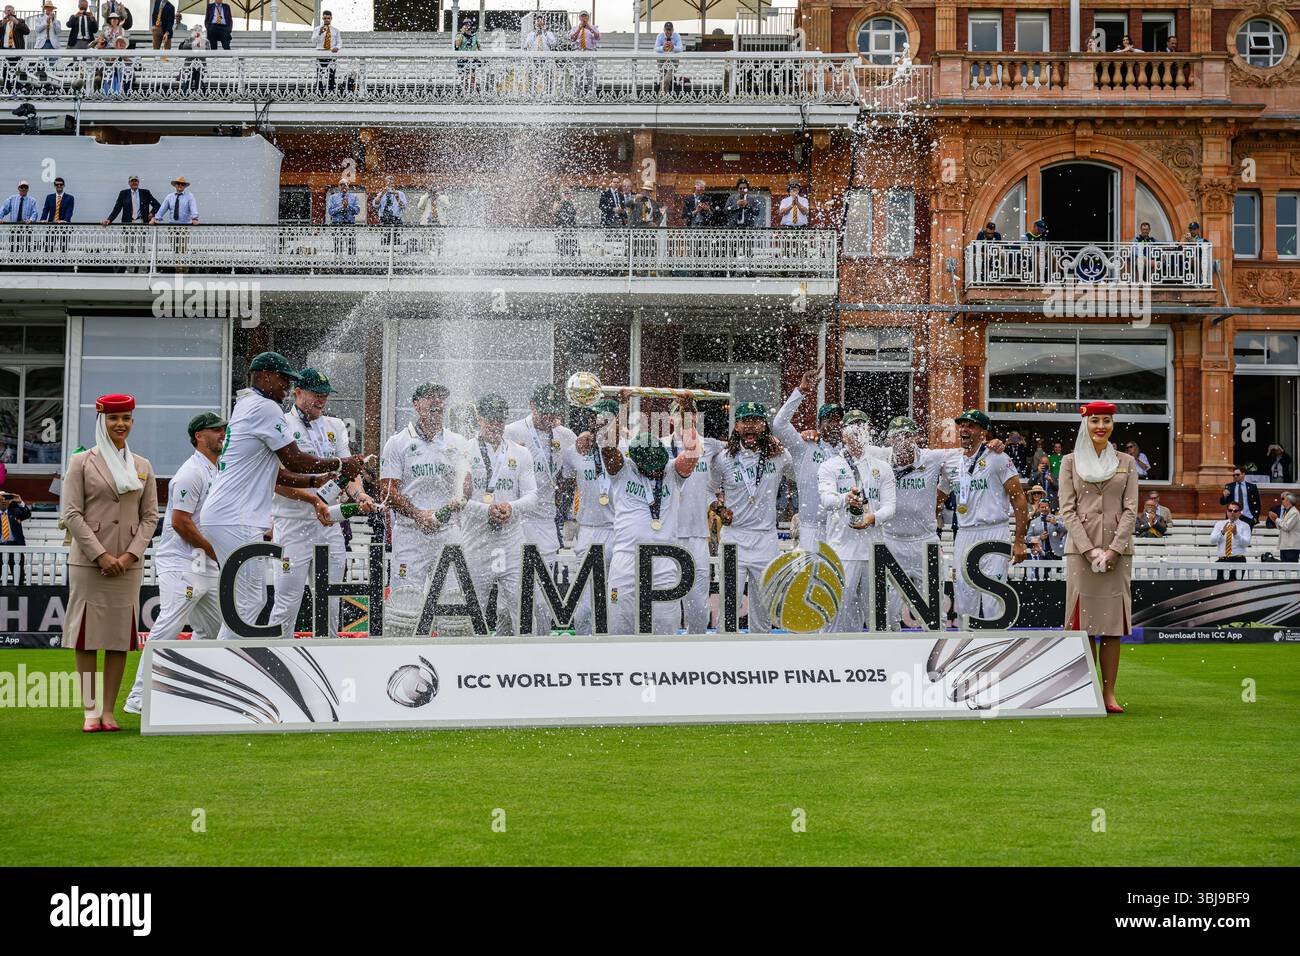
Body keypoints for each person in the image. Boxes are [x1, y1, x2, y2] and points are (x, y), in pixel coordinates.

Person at [200, 352, 369, 642]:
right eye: (284, 381)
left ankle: (232, 666)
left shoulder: (248, 404)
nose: (286, 388)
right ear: (265, 376)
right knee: (258, 603)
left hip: (237, 515)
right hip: (252, 518)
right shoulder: (267, 409)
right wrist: (336, 469)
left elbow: (276, 474)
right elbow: (293, 460)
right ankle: (233, 669)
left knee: (251, 604)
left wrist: (329, 482)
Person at [61, 394, 158, 732]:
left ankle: (108, 710)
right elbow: (71, 513)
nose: (121, 424)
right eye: (115, 418)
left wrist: (131, 554)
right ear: (101, 420)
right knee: (86, 638)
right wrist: (101, 554)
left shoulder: (143, 465)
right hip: (90, 564)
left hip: (128, 564)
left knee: (119, 639)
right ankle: (90, 711)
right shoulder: (81, 463)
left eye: (127, 418)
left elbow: (150, 517)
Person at [122, 411, 226, 714]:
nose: (222, 434)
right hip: (182, 564)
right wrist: (215, 551)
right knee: (168, 626)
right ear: (199, 436)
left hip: (205, 563)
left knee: (215, 628)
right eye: (216, 430)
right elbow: (181, 522)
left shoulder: (216, 469)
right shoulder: (190, 472)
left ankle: (198, 688)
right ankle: (139, 696)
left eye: (223, 430)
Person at [269, 368, 373, 640]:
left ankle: (328, 661)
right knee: (287, 599)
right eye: (315, 395)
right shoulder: (282, 423)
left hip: (329, 525)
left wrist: (359, 495)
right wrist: (314, 499)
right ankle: (279, 659)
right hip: (293, 524)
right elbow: (275, 480)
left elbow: (348, 473)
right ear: (298, 392)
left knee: (330, 600)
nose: (321, 401)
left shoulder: (335, 426)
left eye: (325, 396)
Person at [1058, 401, 1138, 715]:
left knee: (1112, 626)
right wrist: (1090, 549)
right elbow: (1068, 509)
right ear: (1085, 425)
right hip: (1081, 553)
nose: (1100, 426)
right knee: (1083, 624)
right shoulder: (1069, 462)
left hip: (1118, 555)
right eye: (1094, 421)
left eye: (1106, 420)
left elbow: (1131, 509)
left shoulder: (1126, 462)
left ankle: (1109, 694)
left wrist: (1113, 549)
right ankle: (1086, 688)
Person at [597, 408, 702, 635]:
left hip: (664, 558)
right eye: (650, 467)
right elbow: (607, 446)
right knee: (620, 625)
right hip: (626, 557)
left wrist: (685, 419)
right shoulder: (622, 469)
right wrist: (617, 412)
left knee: (665, 627)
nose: (656, 472)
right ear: (635, 460)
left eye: (658, 465)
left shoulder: (672, 470)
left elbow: (693, 452)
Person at [377, 381, 471, 595]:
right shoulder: (397, 442)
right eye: (430, 396)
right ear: (416, 404)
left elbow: (467, 486)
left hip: (448, 532)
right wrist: (418, 514)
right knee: (406, 603)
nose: (437, 401)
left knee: (453, 604)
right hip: (410, 534)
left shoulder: (457, 441)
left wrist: (461, 496)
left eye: (441, 397)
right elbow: (387, 491)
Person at [860, 416, 953, 630]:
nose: (902, 441)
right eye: (897, 436)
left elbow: (964, 456)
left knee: (934, 613)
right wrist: (814, 436)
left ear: (915, 438)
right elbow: (848, 448)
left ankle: (935, 658)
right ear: (890, 440)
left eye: (907, 436)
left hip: (925, 541)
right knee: (886, 614)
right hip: (891, 541)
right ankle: (889, 658)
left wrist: (993, 445)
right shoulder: (879, 457)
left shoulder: (932, 458)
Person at [709, 402, 794, 632]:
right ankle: (726, 660)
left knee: (764, 609)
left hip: (766, 539)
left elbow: (802, 472)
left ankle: (762, 661)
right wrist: (718, 508)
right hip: (734, 537)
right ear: (736, 426)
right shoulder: (723, 459)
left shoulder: (778, 456)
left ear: (764, 426)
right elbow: (709, 489)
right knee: (728, 607)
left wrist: (796, 441)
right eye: (745, 420)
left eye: (756, 420)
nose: (750, 426)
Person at [462, 394, 537, 636]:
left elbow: (532, 497)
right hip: (477, 542)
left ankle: (528, 662)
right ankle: (467, 665)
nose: (495, 425)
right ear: (478, 418)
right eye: (490, 420)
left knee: (523, 607)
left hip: (511, 542)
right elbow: (458, 500)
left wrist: (511, 508)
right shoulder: (464, 450)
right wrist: (487, 510)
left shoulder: (520, 453)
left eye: (499, 420)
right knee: (472, 610)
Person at [504, 384, 576, 635]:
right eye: (543, 410)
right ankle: (505, 647)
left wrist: (562, 503)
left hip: (545, 519)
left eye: (553, 411)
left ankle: (542, 645)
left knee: (545, 594)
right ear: (532, 405)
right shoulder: (512, 431)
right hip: (516, 520)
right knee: (511, 594)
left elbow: (569, 476)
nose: (548, 417)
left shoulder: (566, 436)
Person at [818, 413, 896, 631]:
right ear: (843, 434)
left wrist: (873, 518)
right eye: (852, 429)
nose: (857, 434)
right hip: (843, 550)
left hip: (873, 551)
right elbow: (826, 500)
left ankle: (876, 662)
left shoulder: (882, 467)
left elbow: (890, 507)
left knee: (877, 616)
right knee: (836, 612)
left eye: (861, 428)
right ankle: (830, 659)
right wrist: (846, 498)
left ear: (868, 432)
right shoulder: (830, 466)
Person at [951, 409, 1028, 623]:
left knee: (994, 598)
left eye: (971, 425)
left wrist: (1019, 540)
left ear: (983, 432)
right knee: (964, 597)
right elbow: (939, 496)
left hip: (994, 530)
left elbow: (1019, 499)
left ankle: (994, 648)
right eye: (962, 425)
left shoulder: (998, 457)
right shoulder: (952, 460)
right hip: (964, 533)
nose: (964, 429)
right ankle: (964, 650)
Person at [561, 399, 619, 634]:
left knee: (617, 596)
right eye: (597, 417)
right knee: (585, 600)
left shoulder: (626, 449)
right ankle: (584, 645)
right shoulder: (577, 449)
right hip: (588, 529)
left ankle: (616, 646)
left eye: (607, 418)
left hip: (619, 530)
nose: (601, 422)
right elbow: (564, 482)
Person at [665, 398, 722, 633]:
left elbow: (743, 447)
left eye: (691, 414)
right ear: (670, 419)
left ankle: (696, 658)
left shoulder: (710, 446)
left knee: (698, 608)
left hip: (697, 536)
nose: (687, 418)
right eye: (680, 414)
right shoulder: (657, 447)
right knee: (666, 609)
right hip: (666, 536)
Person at [771, 366, 842, 550]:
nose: (834, 424)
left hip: (841, 529)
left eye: (838, 420)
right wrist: (801, 391)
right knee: (810, 578)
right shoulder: (804, 447)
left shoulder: (849, 453)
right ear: (819, 424)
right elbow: (779, 424)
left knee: (840, 578)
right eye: (829, 419)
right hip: (810, 528)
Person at [1209, 502, 1251, 580]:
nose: (1232, 512)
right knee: (1219, 587)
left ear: (1240, 513)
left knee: (1235, 587)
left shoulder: (1245, 526)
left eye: (1235, 511)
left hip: (1238, 560)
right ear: (1227, 511)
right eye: (1230, 510)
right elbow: (1212, 541)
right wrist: (1222, 532)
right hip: (1222, 559)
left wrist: (1236, 534)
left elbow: (1246, 543)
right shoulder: (1219, 524)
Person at [0, 486, 30, 584]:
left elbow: (27, 514)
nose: (3, 501)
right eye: (0, 499)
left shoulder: (15, 511)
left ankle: (20, 595)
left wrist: (19, 501)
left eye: (6, 498)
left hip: (15, 546)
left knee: (19, 578)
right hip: (0, 548)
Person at [1025, 498, 1067, 566]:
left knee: (1056, 575)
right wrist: (1039, 537)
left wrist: (1056, 523)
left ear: (1049, 508)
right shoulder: (1033, 522)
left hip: (1056, 553)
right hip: (1040, 553)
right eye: (1042, 507)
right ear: (1038, 508)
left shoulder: (1057, 519)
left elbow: (1065, 530)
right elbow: (1028, 538)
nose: (1044, 509)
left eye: (1046, 507)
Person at [314, 10, 341, 94]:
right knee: (320, 72)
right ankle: (319, 89)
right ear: (322, 18)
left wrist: (337, 47)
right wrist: (319, 33)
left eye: (328, 18)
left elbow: (339, 42)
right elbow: (313, 40)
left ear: (331, 18)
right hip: (321, 53)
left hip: (331, 53)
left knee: (332, 73)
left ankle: (331, 88)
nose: (326, 20)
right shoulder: (317, 29)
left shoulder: (336, 30)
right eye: (325, 18)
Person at [655, 21, 683, 92]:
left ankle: (660, 96)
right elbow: (656, 48)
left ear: (672, 30)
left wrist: (673, 47)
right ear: (664, 30)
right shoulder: (660, 36)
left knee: (666, 80)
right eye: (667, 30)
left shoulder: (677, 36)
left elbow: (680, 48)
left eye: (669, 30)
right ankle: (665, 96)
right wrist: (662, 48)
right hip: (662, 60)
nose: (668, 32)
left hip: (673, 60)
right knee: (664, 79)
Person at [1272, 493, 1299, 562]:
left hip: (1291, 546)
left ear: (1289, 501)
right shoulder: (1287, 511)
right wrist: (1275, 520)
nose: (1282, 501)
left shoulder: (1295, 512)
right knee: (1284, 569)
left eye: (1284, 499)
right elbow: (1282, 527)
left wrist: (1276, 519)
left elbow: (1287, 527)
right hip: (1285, 545)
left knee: (1291, 569)